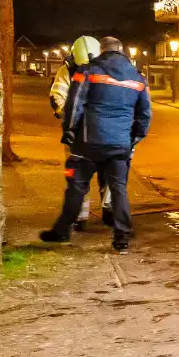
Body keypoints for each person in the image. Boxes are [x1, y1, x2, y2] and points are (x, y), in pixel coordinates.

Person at [41, 37, 151, 253]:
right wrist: (134, 139)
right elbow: (145, 115)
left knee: (76, 186)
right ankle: (121, 238)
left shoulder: (87, 71)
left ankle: (63, 230)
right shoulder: (138, 77)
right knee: (119, 189)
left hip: (88, 143)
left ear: (101, 51)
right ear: (122, 51)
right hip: (120, 145)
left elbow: (75, 105)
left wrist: (70, 132)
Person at [50, 36, 111, 229]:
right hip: (90, 131)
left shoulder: (69, 71)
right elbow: (56, 97)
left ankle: (105, 211)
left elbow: (57, 98)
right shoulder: (67, 70)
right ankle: (83, 216)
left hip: (88, 131)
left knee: (94, 174)